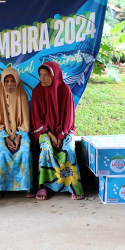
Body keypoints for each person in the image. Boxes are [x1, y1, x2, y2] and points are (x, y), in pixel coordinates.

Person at [31, 61, 84, 201]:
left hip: (65, 131)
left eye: (46, 75)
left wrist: (60, 136)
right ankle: (44, 186)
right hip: (45, 131)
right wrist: (51, 136)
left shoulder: (64, 90)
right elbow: (37, 120)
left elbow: (69, 118)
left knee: (69, 149)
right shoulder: (37, 91)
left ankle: (72, 186)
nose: (42, 78)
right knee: (45, 148)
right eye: (40, 75)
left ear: (54, 76)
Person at [0, 67, 32, 197]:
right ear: (2, 82)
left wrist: (18, 138)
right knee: (1, 153)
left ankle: (26, 187)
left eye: (13, 81)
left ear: (17, 81)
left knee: (25, 151)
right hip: (1, 134)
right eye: (6, 81)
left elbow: (25, 123)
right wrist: (6, 138)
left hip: (21, 133)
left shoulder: (22, 95)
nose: (10, 84)